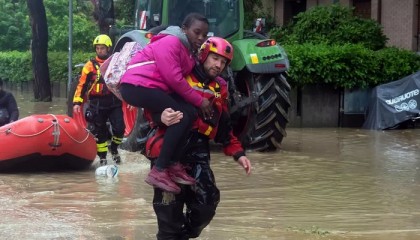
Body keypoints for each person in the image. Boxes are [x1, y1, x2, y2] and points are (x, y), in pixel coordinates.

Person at [147, 37, 252, 240]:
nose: (218, 65)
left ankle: (184, 235)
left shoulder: (220, 88)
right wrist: (160, 116)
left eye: (223, 62)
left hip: (198, 150)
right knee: (169, 210)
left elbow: (224, 126)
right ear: (203, 55)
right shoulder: (180, 75)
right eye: (214, 58)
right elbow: (150, 104)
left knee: (207, 203)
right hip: (167, 147)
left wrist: (238, 153)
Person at [119, 13, 212, 194]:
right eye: (197, 32)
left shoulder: (188, 52)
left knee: (190, 113)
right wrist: (201, 101)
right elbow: (174, 79)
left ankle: (173, 164)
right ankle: (159, 170)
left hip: (154, 87)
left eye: (204, 35)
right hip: (136, 86)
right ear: (184, 30)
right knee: (181, 115)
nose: (200, 38)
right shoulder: (170, 42)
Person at [73, 34, 125, 166]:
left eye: (102, 48)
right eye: (98, 48)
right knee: (100, 133)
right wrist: (77, 102)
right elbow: (82, 85)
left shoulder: (115, 63)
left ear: (108, 48)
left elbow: (124, 81)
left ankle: (113, 148)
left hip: (114, 102)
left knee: (120, 128)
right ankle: (102, 158)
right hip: (97, 104)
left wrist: (130, 100)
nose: (100, 50)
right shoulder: (89, 66)